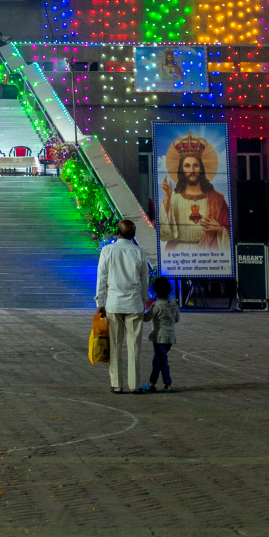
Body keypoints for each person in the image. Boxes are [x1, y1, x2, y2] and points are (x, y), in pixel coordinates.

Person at [96, 218, 149, 394]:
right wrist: (143, 300)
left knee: (115, 345)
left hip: (113, 304)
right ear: (133, 235)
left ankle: (117, 384)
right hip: (134, 304)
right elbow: (144, 281)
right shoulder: (139, 252)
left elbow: (102, 277)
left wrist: (99, 302)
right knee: (134, 346)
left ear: (117, 232)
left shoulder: (107, 251)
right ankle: (134, 385)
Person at [160, 134, 231, 253]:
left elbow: (230, 230)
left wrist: (220, 229)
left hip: (208, 255)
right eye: (187, 166)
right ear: (182, 170)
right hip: (180, 255)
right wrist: (167, 197)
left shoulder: (216, 199)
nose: (192, 171)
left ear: (201, 169)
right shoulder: (173, 198)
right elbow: (164, 232)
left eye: (196, 166)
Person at [141, 276, 180, 392]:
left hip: (159, 337)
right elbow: (177, 319)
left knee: (162, 361)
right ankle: (151, 383)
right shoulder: (173, 304)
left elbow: (146, 318)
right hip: (170, 337)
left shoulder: (156, 305)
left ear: (157, 292)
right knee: (157, 360)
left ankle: (168, 384)